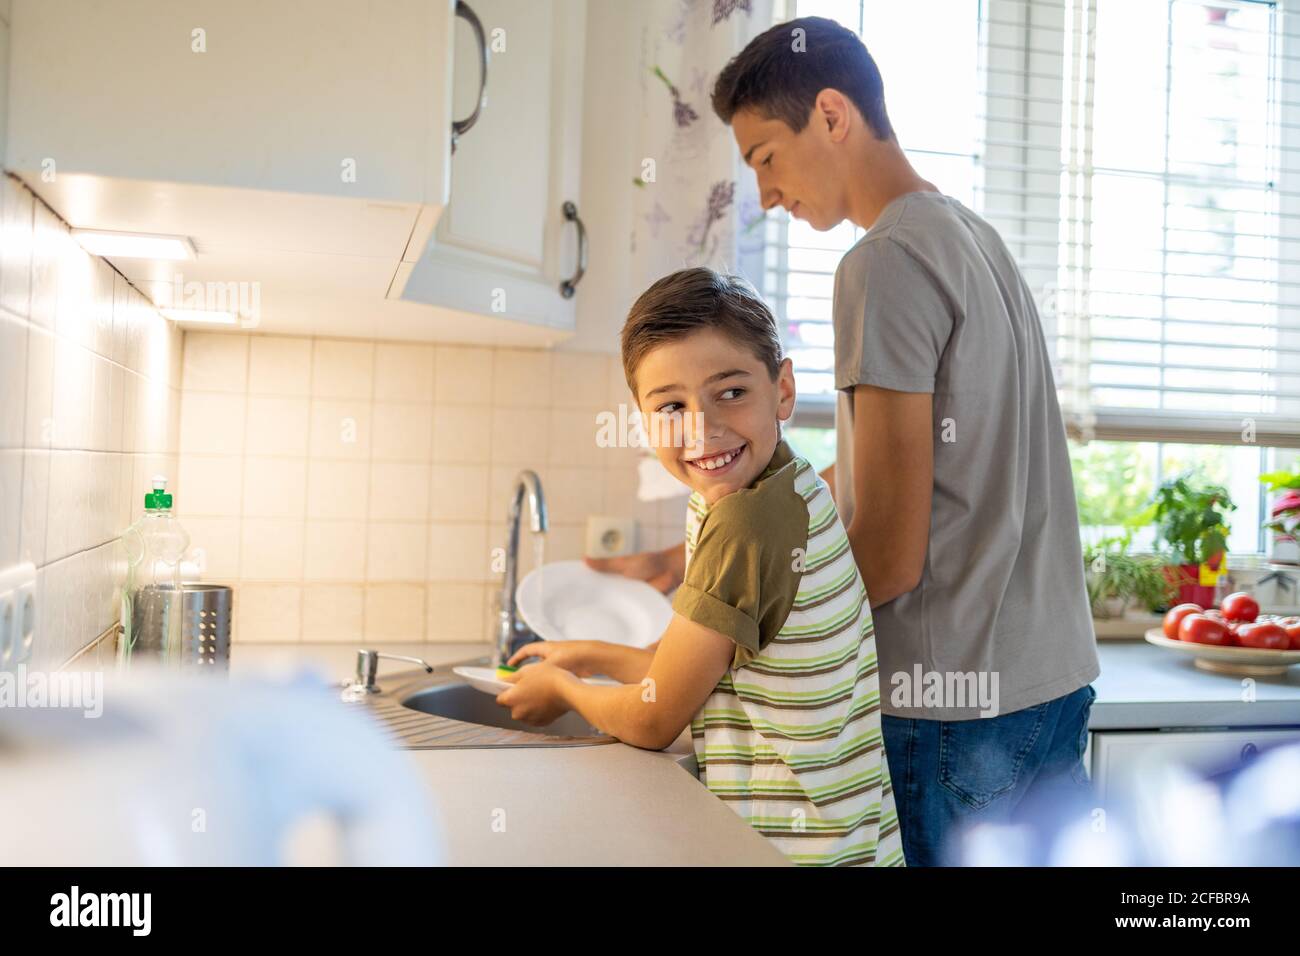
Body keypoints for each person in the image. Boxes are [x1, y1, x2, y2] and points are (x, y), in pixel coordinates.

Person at [592, 15, 1100, 867]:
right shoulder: (976, 240)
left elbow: (891, 556)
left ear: (831, 115)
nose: (764, 195)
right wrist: (704, 565)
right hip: (1047, 691)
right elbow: (904, 468)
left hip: (946, 714)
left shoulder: (882, 263)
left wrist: (718, 629)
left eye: (763, 157)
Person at [498, 268, 904, 867]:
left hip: (788, 848)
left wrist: (564, 689)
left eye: (731, 393)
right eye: (671, 407)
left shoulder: (746, 524)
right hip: (844, 840)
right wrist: (589, 654)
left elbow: (657, 716)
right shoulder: (787, 484)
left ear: (782, 389)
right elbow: (704, 671)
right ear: (642, 418)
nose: (703, 429)